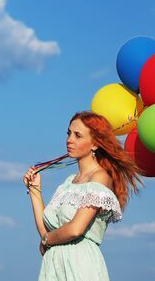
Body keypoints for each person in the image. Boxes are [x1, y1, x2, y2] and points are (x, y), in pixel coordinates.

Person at [23, 111, 144, 281]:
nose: (69, 139)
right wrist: (35, 190)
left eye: (77, 135)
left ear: (94, 144)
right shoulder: (68, 182)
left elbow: (75, 229)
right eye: (69, 133)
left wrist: (46, 240)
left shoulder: (100, 178)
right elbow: (46, 231)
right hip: (54, 265)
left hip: (80, 265)